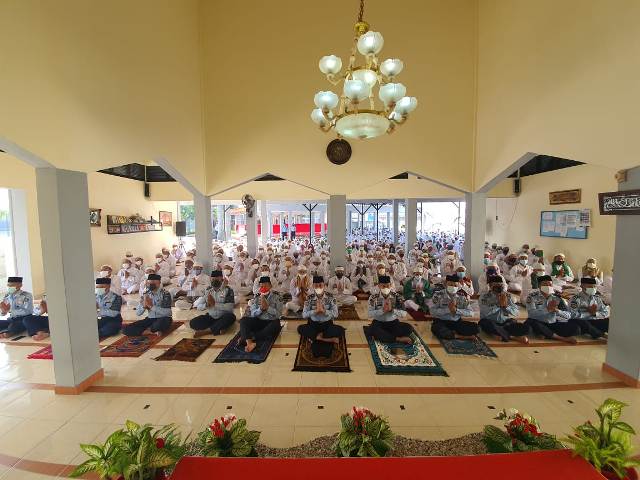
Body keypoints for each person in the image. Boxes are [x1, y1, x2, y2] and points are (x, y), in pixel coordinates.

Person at [525, 275, 579, 344]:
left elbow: (568, 315)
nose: (548, 286)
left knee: (576, 329)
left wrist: (557, 311)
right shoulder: (532, 297)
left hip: (553, 323)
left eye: (550, 284)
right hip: (539, 322)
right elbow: (531, 314)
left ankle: (545, 334)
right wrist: (547, 310)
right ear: (539, 286)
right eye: (545, 284)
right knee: (531, 322)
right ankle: (561, 338)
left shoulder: (557, 298)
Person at [479, 275, 530, 343]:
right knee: (484, 323)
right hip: (491, 321)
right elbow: (485, 312)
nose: (499, 287)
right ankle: (512, 337)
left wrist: (506, 306)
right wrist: (498, 305)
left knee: (527, 328)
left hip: (506, 322)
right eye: (496, 285)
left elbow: (516, 312)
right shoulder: (484, 297)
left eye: (501, 285)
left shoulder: (507, 296)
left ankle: (499, 334)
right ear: (490, 286)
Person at [240, 276, 283, 352]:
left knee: (276, 325)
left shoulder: (277, 296)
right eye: (261, 286)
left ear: (270, 286)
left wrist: (268, 308)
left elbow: (278, 314)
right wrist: (260, 309)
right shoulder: (256, 297)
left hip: (271, 321)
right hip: (259, 320)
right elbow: (253, 313)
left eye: (266, 285)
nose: (263, 287)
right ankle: (249, 343)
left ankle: (250, 337)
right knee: (244, 320)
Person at [298, 276, 344, 346]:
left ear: (324, 285)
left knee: (341, 330)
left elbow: (336, 314)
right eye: (316, 286)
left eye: (320, 285)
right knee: (300, 328)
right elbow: (304, 315)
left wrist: (324, 311)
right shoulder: (309, 298)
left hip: (327, 324)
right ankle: (327, 339)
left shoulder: (331, 297)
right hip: (313, 324)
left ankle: (314, 337)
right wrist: (315, 311)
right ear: (313, 286)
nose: (318, 287)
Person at [366, 275, 412, 344]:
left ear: (390, 285)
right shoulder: (373, 297)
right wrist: (382, 311)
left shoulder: (397, 297)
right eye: (383, 286)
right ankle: (397, 339)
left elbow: (404, 313)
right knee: (374, 329)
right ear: (379, 286)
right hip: (379, 322)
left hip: (393, 322)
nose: (386, 288)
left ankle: (384, 336)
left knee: (409, 328)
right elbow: (369, 314)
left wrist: (393, 310)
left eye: (388, 286)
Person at [430, 275, 478, 340]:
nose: (453, 287)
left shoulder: (461, 297)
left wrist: (456, 310)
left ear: (458, 286)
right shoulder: (437, 295)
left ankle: (452, 334)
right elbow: (432, 312)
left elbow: (471, 313)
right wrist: (448, 310)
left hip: (456, 322)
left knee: (477, 328)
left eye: (455, 285)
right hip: (441, 321)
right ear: (445, 284)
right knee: (435, 328)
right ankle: (460, 336)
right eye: (450, 285)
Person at [191, 270, 236, 337]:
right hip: (211, 317)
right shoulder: (208, 290)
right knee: (193, 323)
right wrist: (206, 305)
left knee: (231, 317)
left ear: (221, 278)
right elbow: (198, 306)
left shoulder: (228, 290)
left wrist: (214, 304)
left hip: (223, 316)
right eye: (213, 278)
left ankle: (206, 331)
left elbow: (230, 308)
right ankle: (219, 328)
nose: (214, 280)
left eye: (217, 278)